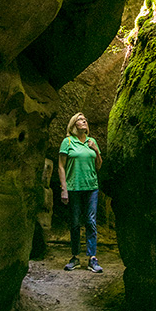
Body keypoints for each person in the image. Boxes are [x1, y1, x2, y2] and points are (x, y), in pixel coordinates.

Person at [58, 112, 103, 273]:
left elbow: (98, 165)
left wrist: (96, 150)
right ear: (73, 125)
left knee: (91, 221)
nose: (84, 122)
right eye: (80, 120)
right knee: (75, 222)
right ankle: (75, 256)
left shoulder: (92, 142)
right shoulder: (67, 142)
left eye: (85, 120)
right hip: (74, 187)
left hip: (91, 187)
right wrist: (64, 189)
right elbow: (61, 166)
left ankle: (92, 258)